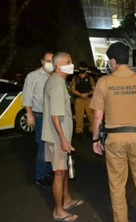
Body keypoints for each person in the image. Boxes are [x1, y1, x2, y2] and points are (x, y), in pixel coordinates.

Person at [90, 42, 136, 222]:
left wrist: (95, 140)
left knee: (117, 187)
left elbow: (97, 116)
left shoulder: (104, 82)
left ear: (113, 61)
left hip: (114, 140)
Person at [42, 52, 83, 221]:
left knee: (63, 170)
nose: (71, 64)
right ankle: (58, 211)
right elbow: (55, 115)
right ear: (59, 65)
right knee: (59, 173)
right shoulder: (58, 84)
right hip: (58, 137)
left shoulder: (55, 80)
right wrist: (63, 139)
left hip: (57, 135)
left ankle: (66, 200)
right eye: (69, 62)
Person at [22, 52, 54, 188]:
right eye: (48, 61)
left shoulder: (55, 77)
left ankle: (47, 171)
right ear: (42, 62)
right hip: (40, 115)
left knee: (51, 145)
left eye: (52, 61)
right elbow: (26, 97)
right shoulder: (33, 76)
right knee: (42, 145)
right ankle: (40, 176)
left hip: (53, 116)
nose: (50, 63)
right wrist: (29, 114)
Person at [70, 61, 96, 141]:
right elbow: (72, 89)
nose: (81, 70)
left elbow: (94, 89)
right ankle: (79, 132)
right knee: (78, 117)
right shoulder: (75, 78)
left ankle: (92, 131)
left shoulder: (90, 78)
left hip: (89, 99)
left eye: (83, 68)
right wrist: (80, 94)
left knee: (91, 116)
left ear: (86, 69)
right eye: (80, 68)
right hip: (79, 99)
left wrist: (87, 94)